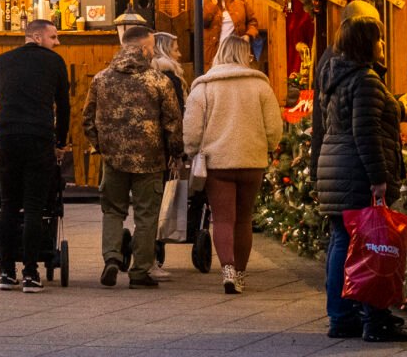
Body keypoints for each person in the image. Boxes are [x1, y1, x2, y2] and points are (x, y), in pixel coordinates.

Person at [314, 16, 407, 342]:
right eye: (379, 39)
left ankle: (347, 316)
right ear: (366, 44)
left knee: (342, 243)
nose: (383, 44)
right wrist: (379, 177)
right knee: (366, 245)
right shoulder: (365, 80)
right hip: (355, 173)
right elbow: (365, 132)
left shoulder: (336, 77)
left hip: (336, 169)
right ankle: (367, 317)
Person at [0, 19, 71, 292]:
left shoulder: (3, 61)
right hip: (39, 139)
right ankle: (30, 273)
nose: (58, 42)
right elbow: (63, 106)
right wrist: (60, 142)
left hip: (6, 138)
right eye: (54, 37)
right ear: (38, 37)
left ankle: (6, 272)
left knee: (7, 205)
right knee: (34, 208)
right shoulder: (55, 63)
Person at [183, 34, 283, 294]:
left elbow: (192, 129)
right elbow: (274, 128)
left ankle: (226, 269)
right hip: (252, 161)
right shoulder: (261, 86)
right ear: (245, 55)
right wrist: (269, 146)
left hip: (218, 163)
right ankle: (240, 273)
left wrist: (193, 151)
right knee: (244, 220)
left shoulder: (205, 87)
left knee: (223, 219)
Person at [83, 24, 182, 288]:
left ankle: (112, 259)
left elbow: (87, 120)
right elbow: (173, 123)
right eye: (150, 47)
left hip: (113, 160)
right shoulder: (158, 81)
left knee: (113, 210)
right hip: (150, 160)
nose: (152, 52)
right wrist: (175, 153)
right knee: (146, 215)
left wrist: (102, 147)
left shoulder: (101, 78)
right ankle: (139, 271)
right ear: (142, 48)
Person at [310, 0, 382, 175]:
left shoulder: (340, 62)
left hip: (336, 162)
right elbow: (364, 127)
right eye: (376, 36)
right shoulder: (355, 70)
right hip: (352, 167)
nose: (381, 42)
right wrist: (378, 178)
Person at [207, 0, 259, 68]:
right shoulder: (205, 0)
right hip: (215, 52)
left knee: (238, 75)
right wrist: (213, 5)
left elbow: (253, 22)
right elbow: (203, 22)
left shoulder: (240, 2)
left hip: (236, 51)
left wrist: (248, 35)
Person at [152, 31, 187, 112]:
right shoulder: (171, 78)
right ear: (164, 52)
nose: (179, 54)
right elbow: (178, 111)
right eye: (176, 50)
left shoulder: (148, 75)